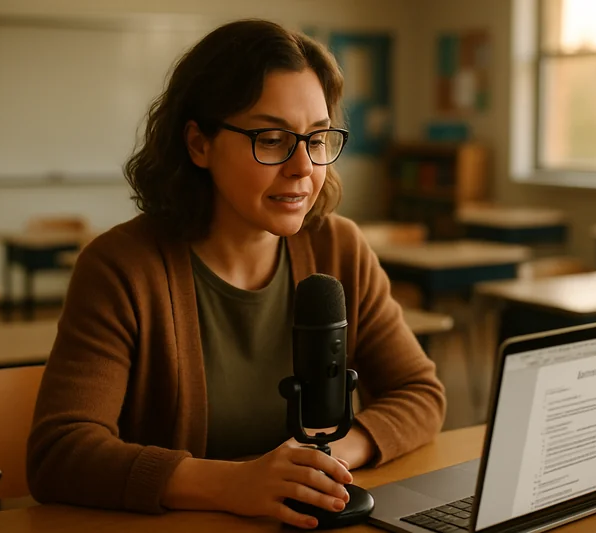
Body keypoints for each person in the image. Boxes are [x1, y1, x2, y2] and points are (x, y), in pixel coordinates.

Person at [26, 18, 445, 530]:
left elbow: (420, 393)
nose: (303, 167)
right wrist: (231, 484)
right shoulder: (120, 267)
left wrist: (321, 462)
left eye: (316, 139)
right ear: (198, 144)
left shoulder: (338, 247)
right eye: (271, 139)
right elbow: (60, 451)